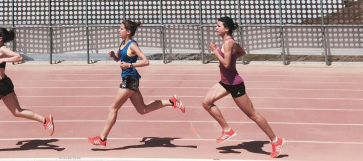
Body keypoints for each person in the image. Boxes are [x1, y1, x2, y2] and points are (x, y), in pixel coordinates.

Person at [88, 19, 185, 147]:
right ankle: (171, 101)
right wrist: (113, 56)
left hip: (130, 79)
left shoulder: (133, 45)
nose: (119, 30)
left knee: (113, 108)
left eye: (121, 28)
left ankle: (102, 138)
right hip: (129, 79)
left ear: (128, 32)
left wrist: (130, 64)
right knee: (143, 109)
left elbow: (146, 61)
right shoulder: (122, 43)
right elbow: (119, 59)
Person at [202, 16, 284, 158]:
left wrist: (215, 51)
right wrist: (232, 57)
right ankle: (227, 130)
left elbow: (226, 64)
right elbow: (242, 52)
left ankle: (276, 141)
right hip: (225, 82)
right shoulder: (228, 42)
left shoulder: (229, 43)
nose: (216, 28)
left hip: (234, 84)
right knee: (206, 103)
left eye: (218, 26)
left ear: (226, 29)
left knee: (252, 114)